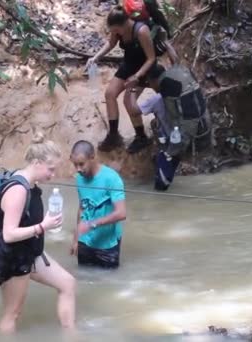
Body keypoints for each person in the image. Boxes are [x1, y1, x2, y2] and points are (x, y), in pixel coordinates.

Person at [0, 132, 76, 334]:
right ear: (36, 162)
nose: (52, 175)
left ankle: (71, 335)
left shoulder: (30, 184)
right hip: (12, 259)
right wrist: (44, 226)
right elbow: (9, 234)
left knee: (67, 284)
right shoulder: (18, 190)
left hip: (30, 252)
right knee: (12, 314)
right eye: (50, 169)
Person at [86, 5, 179, 154]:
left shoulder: (141, 31)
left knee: (129, 101)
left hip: (145, 69)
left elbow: (151, 58)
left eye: (116, 30)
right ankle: (114, 136)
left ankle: (142, 137)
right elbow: (111, 43)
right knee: (110, 94)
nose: (115, 33)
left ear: (125, 23)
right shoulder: (118, 30)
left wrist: (136, 77)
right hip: (129, 65)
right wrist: (96, 57)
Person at [132, 63, 208, 191]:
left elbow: (133, 111)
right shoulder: (175, 90)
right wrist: (167, 45)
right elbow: (176, 62)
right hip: (187, 133)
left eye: (149, 82)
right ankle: (165, 168)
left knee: (160, 184)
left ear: (154, 80)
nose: (149, 86)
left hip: (174, 140)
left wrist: (132, 90)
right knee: (170, 156)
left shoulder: (156, 99)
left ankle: (162, 186)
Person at [69, 140, 127, 269]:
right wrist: (76, 239)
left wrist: (92, 224)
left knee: (108, 285)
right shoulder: (79, 178)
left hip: (107, 245)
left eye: (81, 164)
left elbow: (121, 213)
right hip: (84, 241)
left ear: (92, 158)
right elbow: (82, 208)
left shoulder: (112, 178)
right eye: (75, 165)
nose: (78, 169)